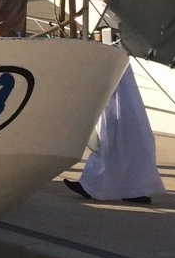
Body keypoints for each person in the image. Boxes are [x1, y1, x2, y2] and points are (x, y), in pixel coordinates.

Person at [62, 69, 166, 203]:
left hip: (114, 84)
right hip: (119, 85)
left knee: (111, 137)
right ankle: (134, 191)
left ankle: (93, 186)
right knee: (123, 137)